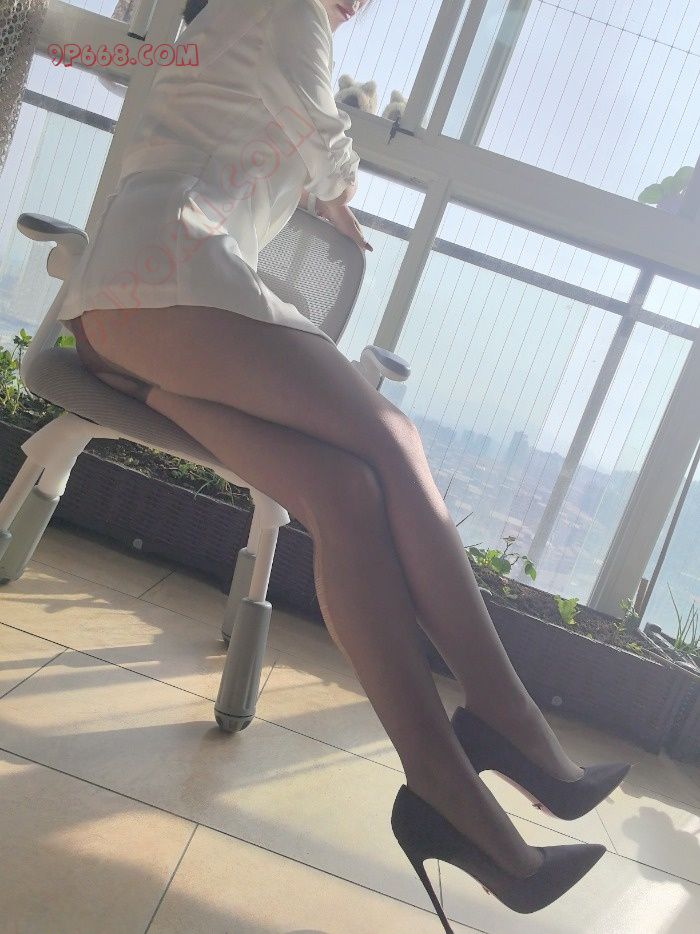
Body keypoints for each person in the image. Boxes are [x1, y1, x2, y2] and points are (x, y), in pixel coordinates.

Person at [57, 1, 629, 926]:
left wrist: (324, 180)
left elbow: (291, 126)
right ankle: (505, 717)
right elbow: (324, 136)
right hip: (160, 277)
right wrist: (334, 184)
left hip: (139, 311)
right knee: (391, 440)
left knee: (347, 490)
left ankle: (446, 792)